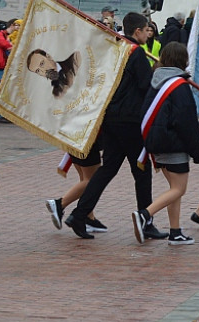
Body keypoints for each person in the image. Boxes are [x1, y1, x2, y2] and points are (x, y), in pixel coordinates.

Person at [68, 12, 163, 240]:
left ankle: (79, 215)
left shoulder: (116, 49)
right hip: (130, 120)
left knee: (108, 169)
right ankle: (146, 220)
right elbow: (145, 86)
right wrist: (157, 73)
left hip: (111, 118)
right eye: (144, 30)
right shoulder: (136, 53)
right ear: (137, 31)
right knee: (141, 171)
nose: (146, 34)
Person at [130, 42, 199, 245]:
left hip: (157, 143)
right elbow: (186, 121)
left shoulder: (157, 81)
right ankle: (145, 214)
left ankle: (175, 231)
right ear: (183, 60)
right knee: (179, 189)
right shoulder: (179, 86)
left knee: (173, 190)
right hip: (174, 144)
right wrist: (197, 150)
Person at [45, 139, 109, 234]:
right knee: (92, 180)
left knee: (84, 178)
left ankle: (88, 217)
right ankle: (60, 203)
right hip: (86, 141)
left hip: (74, 140)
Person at [0, 19, 19, 123]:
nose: (19, 28)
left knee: (9, 92)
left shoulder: (15, 37)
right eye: (17, 25)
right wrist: (13, 47)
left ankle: (6, 114)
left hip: (12, 67)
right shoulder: (0, 34)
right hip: (2, 66)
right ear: (12, 25)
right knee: (0, 91)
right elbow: (4, 44)